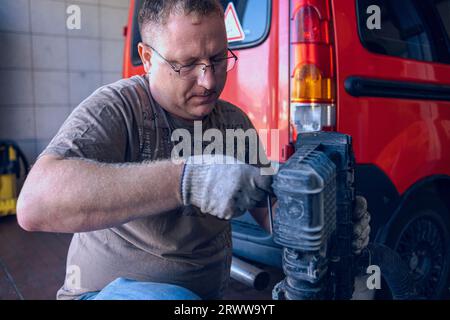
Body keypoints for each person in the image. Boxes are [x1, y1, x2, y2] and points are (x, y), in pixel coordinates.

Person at [16, 0, 370, 300]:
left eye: (218, 59)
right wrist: (187, 179)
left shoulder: (233, 122)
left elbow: (271, 212)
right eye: (186, 65)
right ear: (147, 57)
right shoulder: (117, 109)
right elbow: (33, 206)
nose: (209, 81)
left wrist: (325, 221)